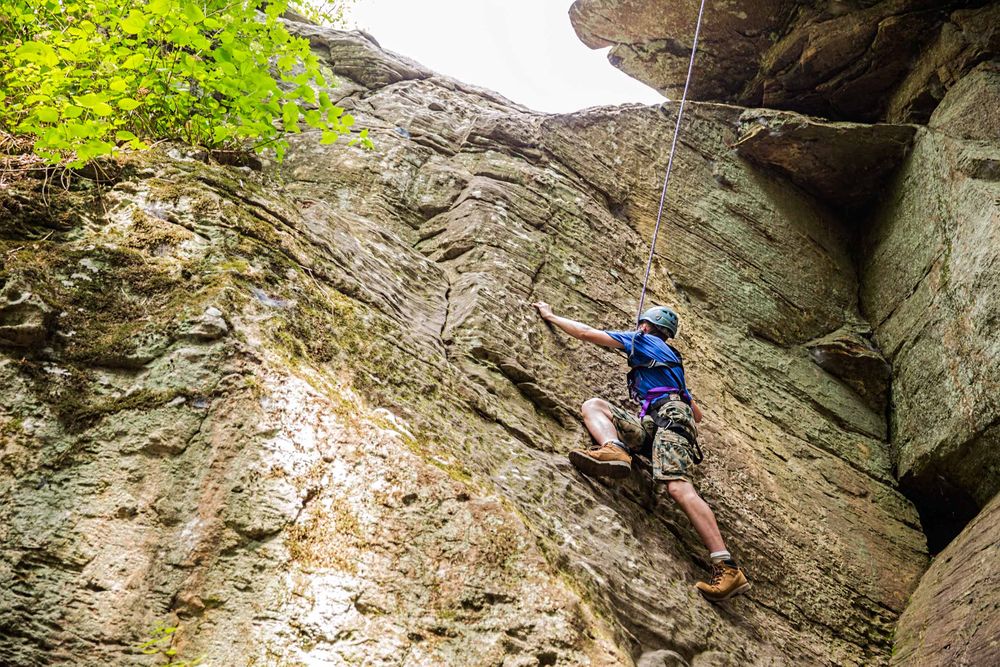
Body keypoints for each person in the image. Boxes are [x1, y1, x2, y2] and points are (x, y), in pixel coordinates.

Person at [532, 301, 750, 602]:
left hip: (668, 421)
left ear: (647, 326)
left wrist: (550, 315)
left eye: (641, 325)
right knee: (595, 406)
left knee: (678, 487)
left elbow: (585, 333)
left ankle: (727, 566)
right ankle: (615, 449)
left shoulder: (643, 341)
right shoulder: (673, 361)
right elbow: (696, 414)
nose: (638, 328)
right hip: (660, 423)